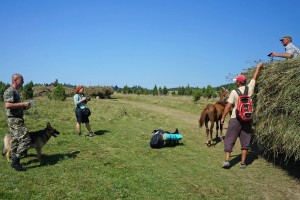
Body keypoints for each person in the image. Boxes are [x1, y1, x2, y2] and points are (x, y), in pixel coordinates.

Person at [221, 62, 264, 169]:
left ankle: (227, 161)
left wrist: (223, 117)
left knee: (230, 138)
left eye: (237, 81)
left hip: (236, 118)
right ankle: (243, 163)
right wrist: (258, 67)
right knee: (245, 140)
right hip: (247, 119)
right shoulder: (250, 88)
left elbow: (228, 106)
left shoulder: (234, 92)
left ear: (239, 83)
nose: (236, 83)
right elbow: (255, 77)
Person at [3, 74, 31, 171]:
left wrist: (24, 107)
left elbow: (15, 105)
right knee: (26, 140)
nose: (23, 82)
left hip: (17, 118)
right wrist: (22, 103)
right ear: (15, 80)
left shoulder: (16, 92)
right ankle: (16, 161)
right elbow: (7, 105)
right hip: (14, 120)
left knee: (15, 140)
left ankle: (15, 162)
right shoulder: (10, 91)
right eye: (21, 80)